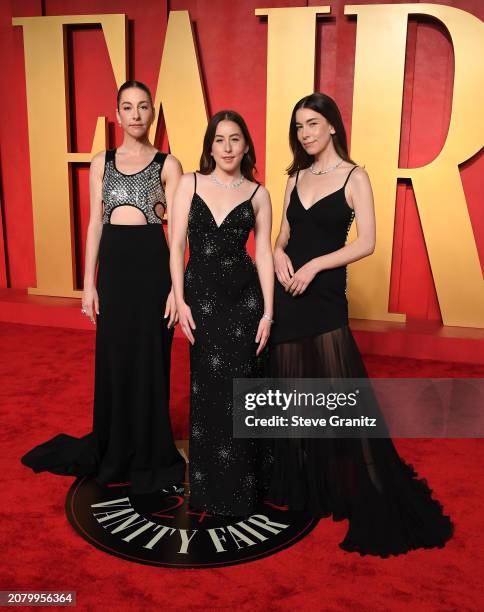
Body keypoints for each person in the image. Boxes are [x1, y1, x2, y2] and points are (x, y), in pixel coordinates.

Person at [269, 92, 453, 556]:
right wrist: (277, 255)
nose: (305, 133)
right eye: (299, 127)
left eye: (312, 123)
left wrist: (314, 267)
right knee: (291, 393)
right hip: (288, 295)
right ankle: (307, 484)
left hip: (325, 295)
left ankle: (355, 480)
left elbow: (367, 242)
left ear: (332, 125)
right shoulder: (294, 179)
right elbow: (284, 236)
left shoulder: (355, 176)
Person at [21, 80, 186, 498]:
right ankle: (116, 447)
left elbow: (180, 234)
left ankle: (150, 449)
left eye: (142, 106)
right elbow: (95, 222)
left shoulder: (169, 165)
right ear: (117, 115)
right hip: (114, 270)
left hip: (153, 271)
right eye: (127, 107)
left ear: (152, 113)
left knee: (152, 361)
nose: (135, 114)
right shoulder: (102, 162)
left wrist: (177, 289)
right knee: (114, 362)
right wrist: (87, 285)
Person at [170, 110, 274, 517]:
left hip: (244, 301)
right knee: (207, 390)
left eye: (235, 139)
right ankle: (210, 489)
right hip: (201, 300)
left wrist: (268, 313)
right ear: (209, 146)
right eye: (219, 140)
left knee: (241, 389)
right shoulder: (188, 183)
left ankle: (243, 488)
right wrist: (179, 300)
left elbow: (263, 253)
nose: (227, 147)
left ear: (246, 145)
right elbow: (177, 244)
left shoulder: (258, 193)